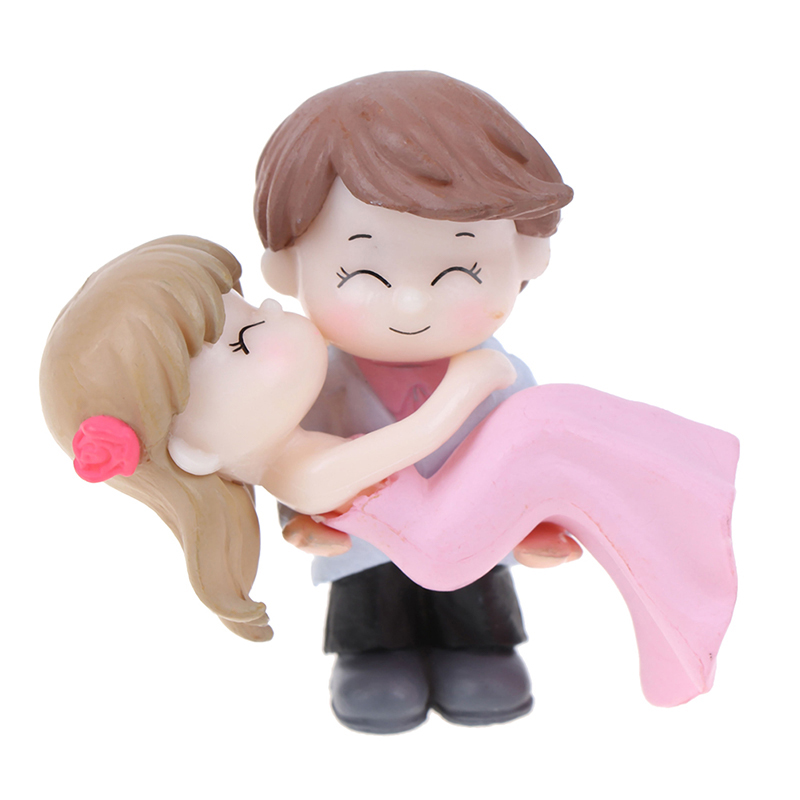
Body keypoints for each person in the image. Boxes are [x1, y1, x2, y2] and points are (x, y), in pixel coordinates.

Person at [254, 71, 580, 732]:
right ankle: (373, 656)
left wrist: (540, 525)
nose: (409, 304)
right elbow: (294, 456)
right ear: (289, 268)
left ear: (527, 256)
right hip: (366, 537)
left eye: (460, 271)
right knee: (370, 596)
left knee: (474, 588)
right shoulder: (317, 382)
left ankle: (480, 649)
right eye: (363, 273)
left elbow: (534, 463)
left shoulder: (503, 377)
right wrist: (303, 517)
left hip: (475, 535)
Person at [40, 235, 518, 643]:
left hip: (455, 544)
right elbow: (414, 436)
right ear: (197, 453)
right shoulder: (306, 478)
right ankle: (378, 659)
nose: (272, 309)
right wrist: (469, 383)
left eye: (251, 304)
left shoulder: (322, 405)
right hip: (413, 553)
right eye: (245, 337)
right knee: (375, 619)